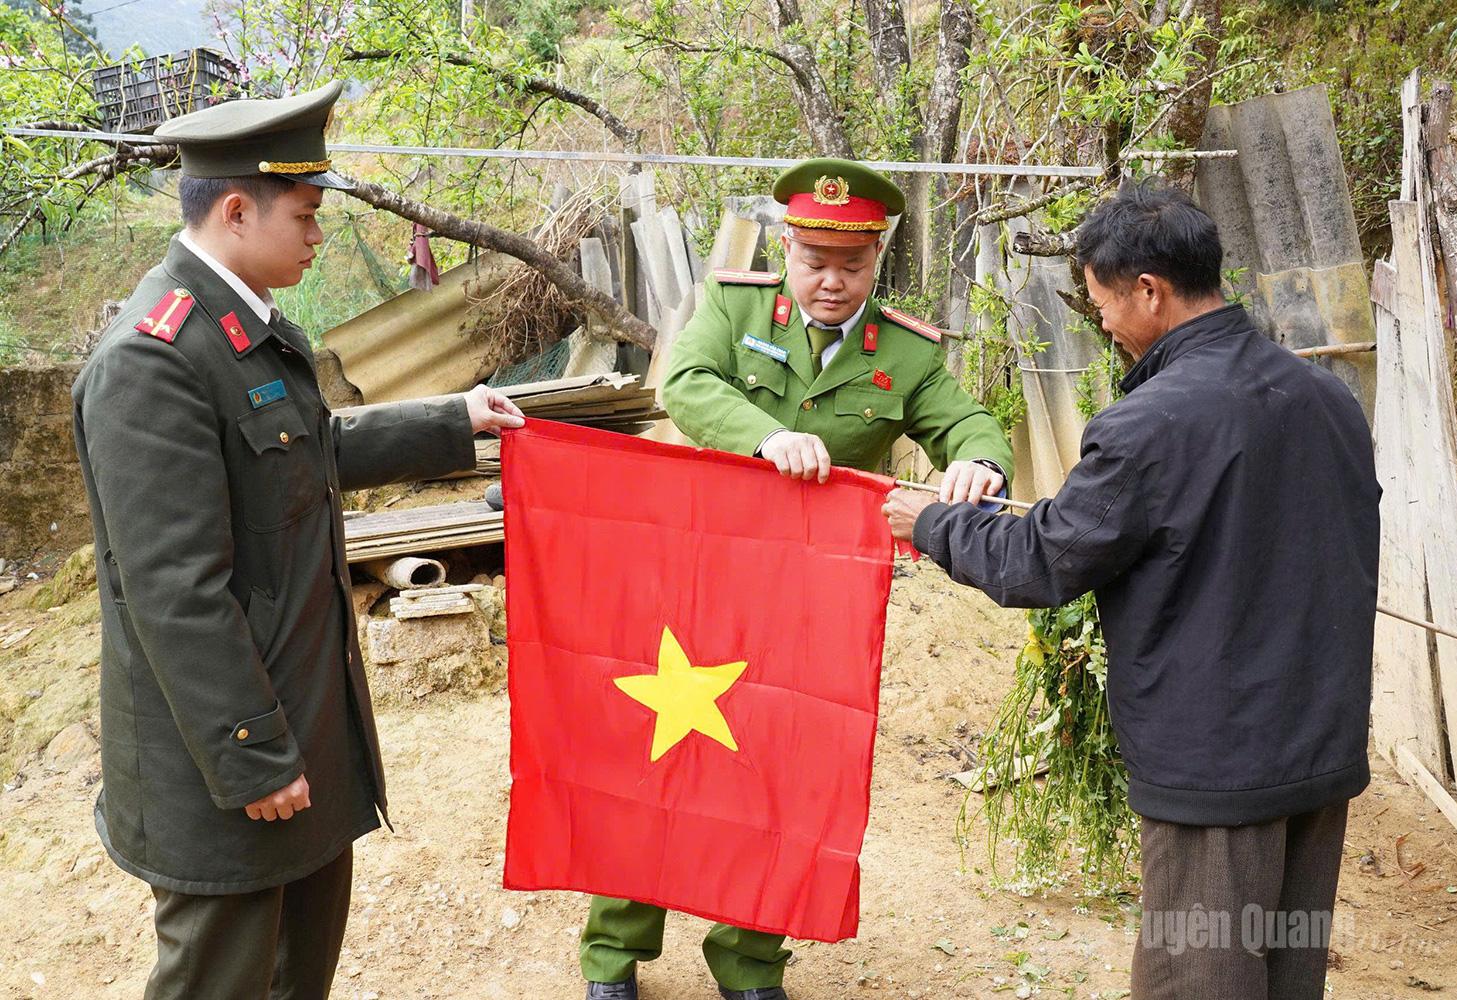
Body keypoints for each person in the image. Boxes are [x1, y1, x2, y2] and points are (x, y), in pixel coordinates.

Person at [71, 80, 525, 1000]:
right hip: (229, 754)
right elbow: (174, 591)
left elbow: (301, 453)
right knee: (225, 978)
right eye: (307, 215)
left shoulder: (245, 329)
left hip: (299, 713)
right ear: (237, 211)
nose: (319, 235)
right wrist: (254, 754)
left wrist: (454, 420)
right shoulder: (154, 361)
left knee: (297, 970)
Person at [882, 184, 1380, 1000]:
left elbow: (1045, 560)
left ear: (1148, 289)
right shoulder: (1326, 397)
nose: (1103, 320)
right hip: (1319, 750)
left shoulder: (1150, 423)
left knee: (1203, 976)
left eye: (1101, 299)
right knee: (1288, 972)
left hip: (1218, 768)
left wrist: (932, 524)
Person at [572, 158, 1014, 1000]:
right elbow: (689, 382)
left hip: (805, 601)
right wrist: (764, 437)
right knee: (652, 755)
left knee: (776, 767)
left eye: (852, 267)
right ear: (786, 248)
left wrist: (981, 464)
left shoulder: (906, 352)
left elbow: (966, 423)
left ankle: (748, 959)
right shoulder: (736, 305)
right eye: (815, 262)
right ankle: (613, 956)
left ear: (879, 259)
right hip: (693, 580)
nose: (832, 283)